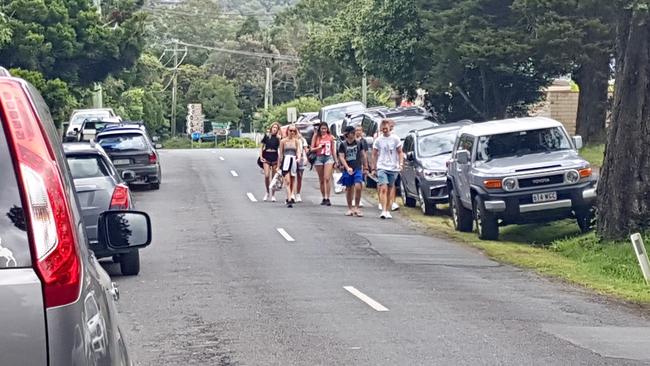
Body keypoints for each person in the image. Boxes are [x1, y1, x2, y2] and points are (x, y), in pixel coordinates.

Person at [372, 119, 404, 219]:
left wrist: (401, 163)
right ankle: (383, 210)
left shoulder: (395, 139)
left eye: (386, 128)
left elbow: (400, 152)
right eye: (383, 128)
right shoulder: (378, 140)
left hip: (393, 167)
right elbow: (374, 154)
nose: (385, 130)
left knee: (390, 189)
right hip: (382, 166)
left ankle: (388, 209)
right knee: (383, 188)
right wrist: (374, 167)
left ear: (389, 128)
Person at [338, 126, 368, 216]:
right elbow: (341, 157)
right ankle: (350, 208)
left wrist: (365, 167)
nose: (354, 134)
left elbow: (363, 155)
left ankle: (357, 207)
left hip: (357, 168)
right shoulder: (343, 145)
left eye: (354, 133)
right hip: (348, 169)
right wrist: (347, 167)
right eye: (352, 133)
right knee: (349, 188)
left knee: (358, 186)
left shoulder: (359, 143)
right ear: (347, 134)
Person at [311, 122, 337, 206]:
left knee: (327, 178)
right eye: (322, 129)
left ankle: (328, 197)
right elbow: (311, 148)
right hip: (319, 157)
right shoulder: (316, 136)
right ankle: (323, 197)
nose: (323, 130)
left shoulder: (330, 137)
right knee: (321, 179)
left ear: (327, 129)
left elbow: (333, 150)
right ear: (319, 129)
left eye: (325, 129)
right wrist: (318, 147)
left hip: (328, 157)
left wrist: (336, 161)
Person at [279, 125, 302, 208]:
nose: (292, 132)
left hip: (293, 161)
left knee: (292, 180)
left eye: (293, 131)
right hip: (285, 160)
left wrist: (299, 158)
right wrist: (279, 165)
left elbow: (298, 151)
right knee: (287, 180)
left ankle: (290, 195)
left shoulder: (296, 141)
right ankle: (289, 199)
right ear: (287, 131)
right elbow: (281, 154)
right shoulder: (283, 141)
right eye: (290, 130)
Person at [260, 122, 282, 202]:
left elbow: (280, 148)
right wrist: (261, 156)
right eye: (273, 127)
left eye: (276, 128)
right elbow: (261, 146)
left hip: (275, 156)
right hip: (267, 156)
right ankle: (267, 192)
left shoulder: (278, 137)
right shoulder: (267, 136)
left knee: (273, 177)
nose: (274, 129)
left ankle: (273, 194)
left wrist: (279, 138)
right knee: (266, 175)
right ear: (271, 128)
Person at [295, 133, 309, 203]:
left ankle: (298, 194)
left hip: (301, 159)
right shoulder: (289, 139)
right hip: (292, 158)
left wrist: (307, 158)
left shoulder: (302, 140)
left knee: (299, 177)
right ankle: (291, 193)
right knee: (290, 177)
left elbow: (306, 150)